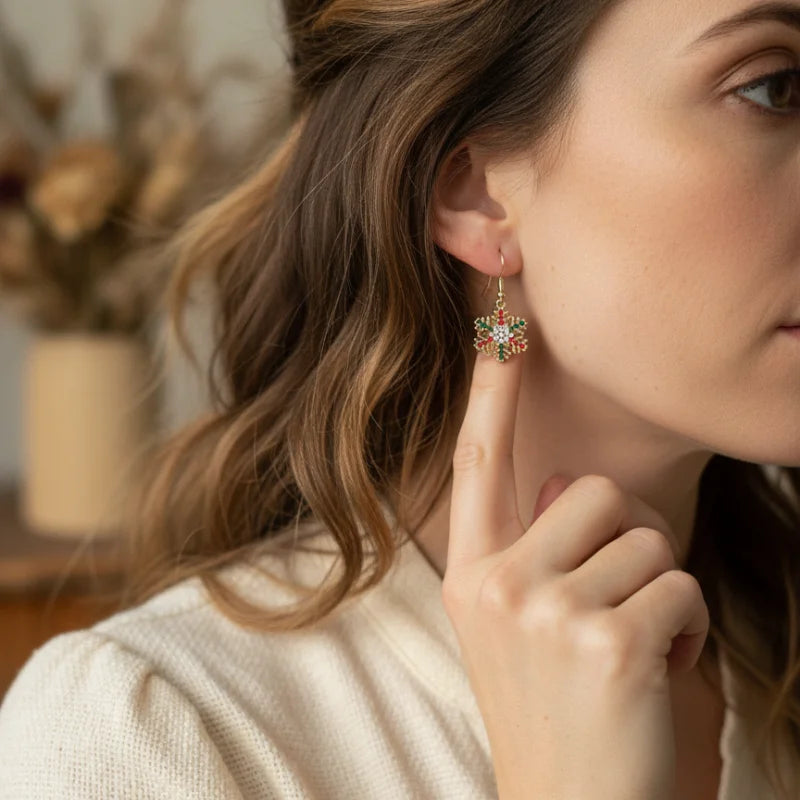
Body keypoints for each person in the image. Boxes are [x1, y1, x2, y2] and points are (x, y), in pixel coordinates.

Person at [2, 0, 800, 797]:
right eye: (778, 88)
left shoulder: (778, 667)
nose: (784, 96)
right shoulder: (149, 739)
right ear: (473, 189)